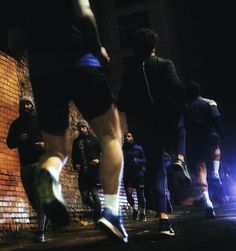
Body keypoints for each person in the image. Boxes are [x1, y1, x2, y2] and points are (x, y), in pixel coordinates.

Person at [24, 0, 128, 242]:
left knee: (56, 150)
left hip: (42, 70)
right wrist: (97, 47)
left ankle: (49, 173)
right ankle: (112, 212)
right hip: (81, 61)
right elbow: (83, 10)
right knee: (111, 137)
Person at [118, 28, 185, 236]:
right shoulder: (165, 65)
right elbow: (178, 90)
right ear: (154, 46)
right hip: (167, 119)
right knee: (182, 124)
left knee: (156, 171)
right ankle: (180, 158)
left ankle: (163, 219)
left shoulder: (130, 73)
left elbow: (121, 103)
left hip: (147, 126)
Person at [6, 96, 47, 243]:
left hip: (40, 162)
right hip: (25, 164)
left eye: (28, 103)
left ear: (32, 105)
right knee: (31, 197)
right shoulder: (16, 124)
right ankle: (45, 215)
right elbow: (9, 143)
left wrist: (44, 144)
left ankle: (40, 231)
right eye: (23, 104)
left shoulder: (40, 121)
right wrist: (17, 140)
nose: (25, 106)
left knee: (39, 196)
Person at [185, 80, 226, 218]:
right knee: (216, 150)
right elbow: (216, 118)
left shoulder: (186, 107)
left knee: (201, 170)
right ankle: (215, 173)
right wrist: (222, 133)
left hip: (195, 141)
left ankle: (208, 203)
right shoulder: (210, 102)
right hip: (210, 136)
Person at [72, 120, 102, 223]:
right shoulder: (76, 142)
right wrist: (76, 164)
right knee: (84, 197)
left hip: (93, 172)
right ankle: (98, 211)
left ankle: (98, 219)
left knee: (95, 194)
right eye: (79, 127)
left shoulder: (94, 140)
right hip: (83, 173)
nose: (81, 129)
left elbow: (103, 153)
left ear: (87, 128)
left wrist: (99, 160)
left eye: (83, 127)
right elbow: (74, 156)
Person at [122, 132, 147, 221]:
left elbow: (145, 160)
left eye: (128, 136)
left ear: (132, 138)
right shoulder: (123, 149)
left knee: (140, 194)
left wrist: (138, 160)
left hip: (138, 174)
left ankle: (143, 213)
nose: (126, 138)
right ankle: (135, 209)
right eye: (125, 137)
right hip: (128, 175)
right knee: (128, 195)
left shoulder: (138, 148)